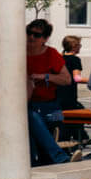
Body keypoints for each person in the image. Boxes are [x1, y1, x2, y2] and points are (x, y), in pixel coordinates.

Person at [25, 19, 72, 166]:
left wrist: (45, 76)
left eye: (37, 35)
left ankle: (57, 157)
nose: (31, 37)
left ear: (45, 39)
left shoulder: (51, 54)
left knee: (43, 141)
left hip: (50, 106)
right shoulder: (19, 52)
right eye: (29, 33)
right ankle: (59, 156)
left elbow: (67, 79)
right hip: (28, 104)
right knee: (31, 145)